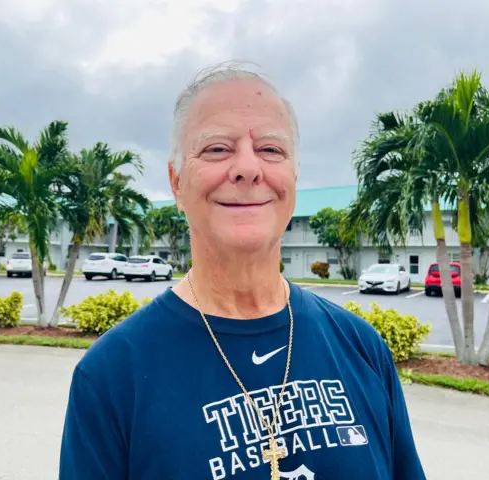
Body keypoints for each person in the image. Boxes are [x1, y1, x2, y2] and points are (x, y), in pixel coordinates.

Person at [59, 61, 426, 480]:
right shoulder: (111, 376)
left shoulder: (362, 349)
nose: (249, 168)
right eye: (217, 148)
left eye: (271, 150)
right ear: (176, 182)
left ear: (293, 176)